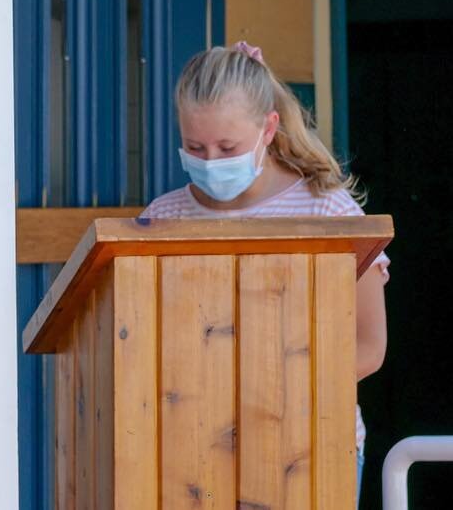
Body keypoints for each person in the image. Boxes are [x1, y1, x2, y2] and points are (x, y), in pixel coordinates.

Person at [141, 41, 389, 496]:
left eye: (227, 146)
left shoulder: (327, 211)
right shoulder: (162, 216)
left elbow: (369, 346)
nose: (211, 161)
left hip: (312, 443)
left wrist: (269, 385)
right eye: (195, 147)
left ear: (268, 128)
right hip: (192, 449)